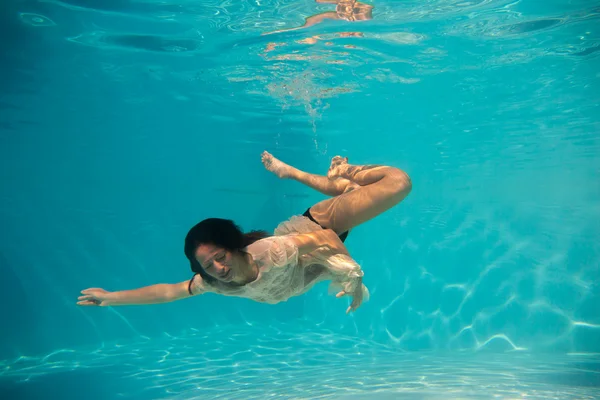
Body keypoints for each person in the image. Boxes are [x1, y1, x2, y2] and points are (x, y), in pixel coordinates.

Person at [77, 152, 411, 314]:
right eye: (208, 266)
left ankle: (329, 171)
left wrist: (352, 272)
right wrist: (111, 297)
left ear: (235, 248)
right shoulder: (213, 282)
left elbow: (325, 240)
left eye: (220, 257)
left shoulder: (270, 251)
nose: (217, 268)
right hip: (309, 264)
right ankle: (337, 179)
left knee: (397, 185)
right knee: (351, 192)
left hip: (317, 228)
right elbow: (168, 292)